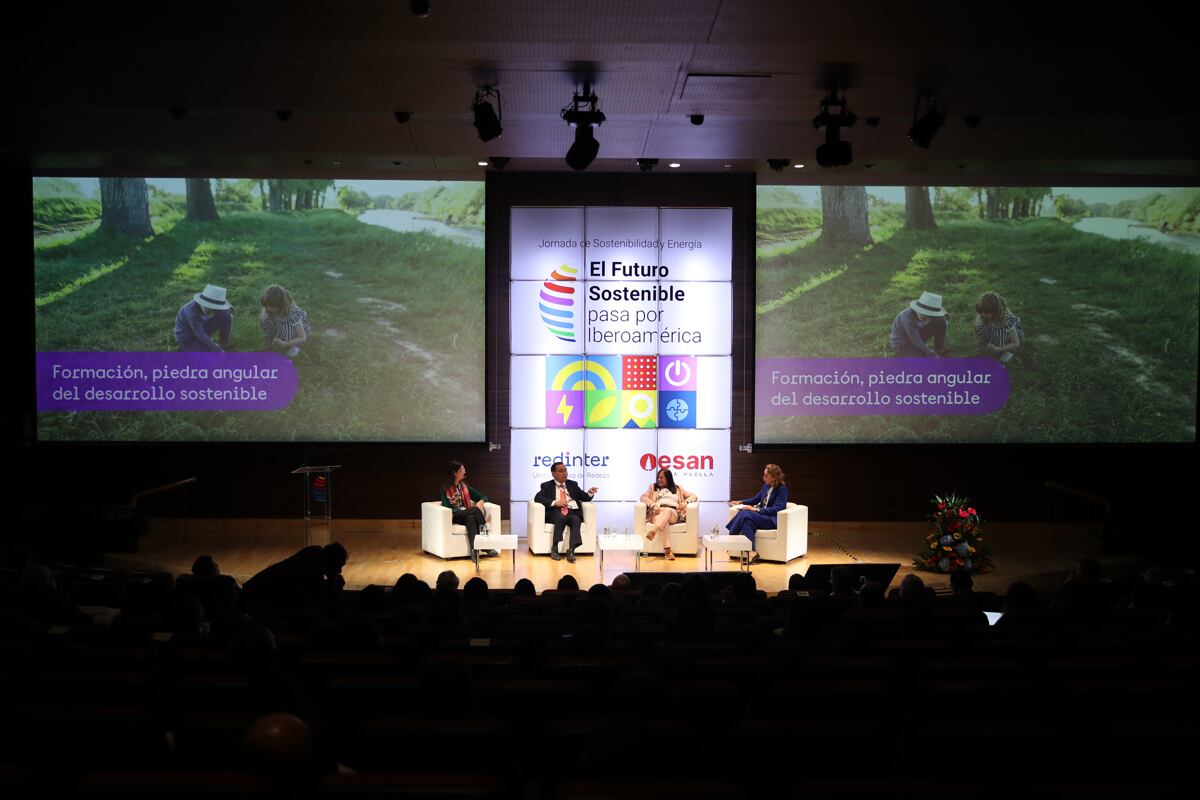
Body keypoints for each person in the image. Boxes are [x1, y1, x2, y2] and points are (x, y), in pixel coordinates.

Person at [238, 542, 348, 611]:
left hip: (254, 590)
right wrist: (332, 587)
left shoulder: (315, 553)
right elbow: (316, 600)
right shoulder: (313, 566)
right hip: (255, 598)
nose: (340, 570)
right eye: (338, 565)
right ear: (330, 561)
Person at [534, 461, 598, 563]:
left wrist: (590, 492)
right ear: (554, 474)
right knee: (561, 518)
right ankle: (555, 548)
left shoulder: (573, 484)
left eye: (565, 470)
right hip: (555, 512)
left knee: (576, 519)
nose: (565, 473)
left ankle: (571, 550)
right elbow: (538, 498)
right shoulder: (547, 485)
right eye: (561, 471)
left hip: (570, 512)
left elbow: (584, 497)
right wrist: (555, 503)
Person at [726, 464, 789, 564]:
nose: (763, 477)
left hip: (771, 520)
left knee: (746, 512)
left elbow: (778, 508)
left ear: (774, 477)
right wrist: (741, 502)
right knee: (747, 521)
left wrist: (758, 510)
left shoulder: (782, 489)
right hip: (761, 517)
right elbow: (755, 499)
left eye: (766, 475)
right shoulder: (766, 486)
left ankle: (731, 535)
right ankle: (752, 553)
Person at [441, 460, 496, 562]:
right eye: (462, 469)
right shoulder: (445, 489)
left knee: (471, 518)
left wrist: (481, 501)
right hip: (455, 515)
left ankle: (474, 551)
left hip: (465, 514)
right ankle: (486, 545)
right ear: (455, 473)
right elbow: (447, 508)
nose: (465, 471)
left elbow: (484, 496)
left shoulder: (464, 487)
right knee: (475, 510)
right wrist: (462, 510)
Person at [638, 467, 697, 561]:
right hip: (658, 512)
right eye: (658, 477)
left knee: (668, 511)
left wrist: (686, 502)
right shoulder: (653, 487)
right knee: (664, 522)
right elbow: (643, 497)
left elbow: (694, 496)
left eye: (662, 478)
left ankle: (653, 531)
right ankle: (668, 551)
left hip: (673, 513)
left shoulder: (678, 488)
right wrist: (653, 505)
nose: (659, 480)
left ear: (668, 478)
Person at [175, 283, 234, 352]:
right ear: (201, 303)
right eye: (209, 310)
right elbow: (200, 335)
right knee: (208, 355)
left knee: (226, 314)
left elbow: (225, 313)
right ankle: (188, 349)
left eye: (216, 310)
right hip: (189, 338)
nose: (212, 313)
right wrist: (218, 349)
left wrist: (226, 311)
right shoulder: (192, 313)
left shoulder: (205, 308)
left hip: (202, 328)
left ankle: (224, 343)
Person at [890, 290, 949, 357]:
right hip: (904, 342)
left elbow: (945, 320)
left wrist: (944, 321)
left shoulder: (927, 315)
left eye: (931, 317)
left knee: (941, 321)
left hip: (919, 332)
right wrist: (930, 353)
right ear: (917, 310)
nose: (927, 321)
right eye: (924, 318)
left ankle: (939, 348)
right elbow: (915, 340)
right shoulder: (907, 319)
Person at [259, 284, 310, 358]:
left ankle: (295, 345)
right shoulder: (272, 310)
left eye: (271, 306)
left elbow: (302, 337)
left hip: (296, 333)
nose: (268, 308)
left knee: (286, 330)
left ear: (281, 304)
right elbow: (266, 317)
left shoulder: (293, 313)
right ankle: (274, 340)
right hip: (282, 325)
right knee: (265, 319)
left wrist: (285, 344)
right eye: (266, 306)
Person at [974, 290, 1023, 364]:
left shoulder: (1007, 319)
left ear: (995, 311)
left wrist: (999, 349)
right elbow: (980, 322)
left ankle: (1008, 351)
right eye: (981, 312)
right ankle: (990, 342)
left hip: (1008, 335)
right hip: (995, 327)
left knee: (1000, 335)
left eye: (986, 313)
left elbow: (1016, 343)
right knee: (980, 326)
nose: (983, 315)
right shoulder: (986, 315)